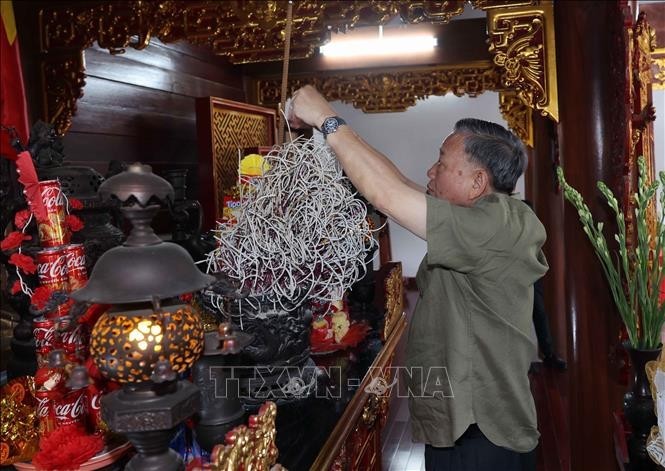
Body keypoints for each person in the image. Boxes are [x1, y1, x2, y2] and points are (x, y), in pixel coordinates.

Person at [289, 85, 548, 471]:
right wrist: (339, 135)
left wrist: (327, 117)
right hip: (463, 426)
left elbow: (387, 195)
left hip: (483, 439)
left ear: (477, 182)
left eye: (441, 162)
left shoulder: (494, 225)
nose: (430, 170)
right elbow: (395, 183)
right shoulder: (484, 217)